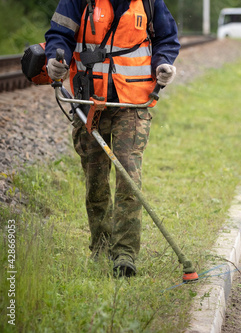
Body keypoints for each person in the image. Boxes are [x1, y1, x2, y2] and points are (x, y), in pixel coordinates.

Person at [44, 0, 180, 277]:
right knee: (95, 182)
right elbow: (60, 35)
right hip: (88, 101)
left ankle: (125, 254)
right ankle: (101, 248)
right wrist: (55, 58)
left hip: (133, 104)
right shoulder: (78, 1)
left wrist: (164, 63)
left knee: (128, 176)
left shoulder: (150, 3)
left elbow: (167, 38)